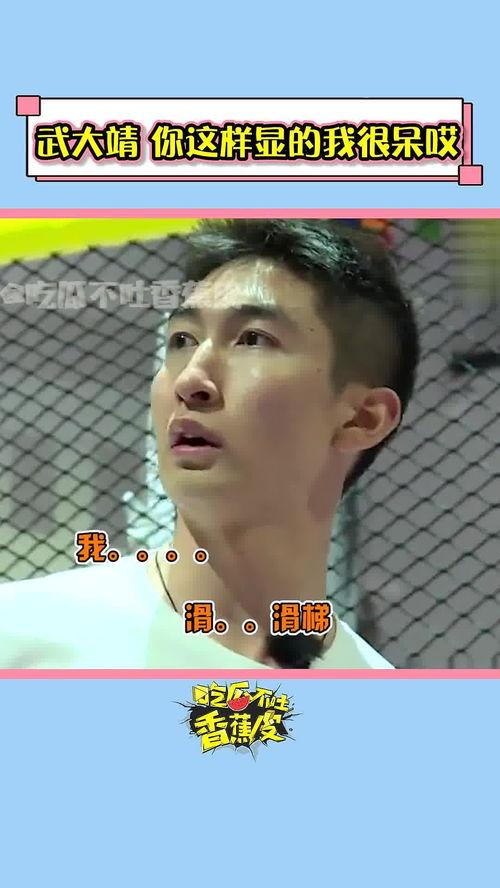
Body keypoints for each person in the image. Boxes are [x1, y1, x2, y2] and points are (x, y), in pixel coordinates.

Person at [0, 219, 419, 669]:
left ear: (362, 419)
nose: (191, 379)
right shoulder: (21, 636)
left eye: (253, 339)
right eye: (182, 340)